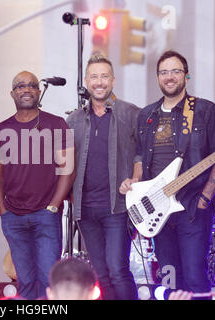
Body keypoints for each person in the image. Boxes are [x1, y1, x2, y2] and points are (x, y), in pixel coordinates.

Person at [120, 50, 215, 298]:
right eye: (164, 72)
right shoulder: (146, 115)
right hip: (157, 209)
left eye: (176, 71)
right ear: (158, 77)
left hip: (191, 206)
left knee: (194, 274)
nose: (170, 77)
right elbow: (139, 155)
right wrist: (136, 184)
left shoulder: (205, 111)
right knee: (169, 277)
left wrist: (204, 200)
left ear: (186, 76)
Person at [0, 70, 75, 300]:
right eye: (20, 86)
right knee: (25, 283)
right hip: (14, 218)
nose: (26, 89)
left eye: (31, 85)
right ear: (12, 93)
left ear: (38, 91)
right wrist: (3, 212)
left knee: (49, 283)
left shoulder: (56, 124)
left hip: (46, 216)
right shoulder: (0, 130)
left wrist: (54, 206)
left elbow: (67, 170)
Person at [66, 55, 140, 300]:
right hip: (85, 211)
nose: (99, 82)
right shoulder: (73, 120)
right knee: (101, 274)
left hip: (116, 208)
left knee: (118, 270)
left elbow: (143, 153)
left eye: (104, 76)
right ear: (87, 81)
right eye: (94, 77)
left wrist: (136, 177)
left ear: (113, 81)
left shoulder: (131, 114)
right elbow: (65, 165)